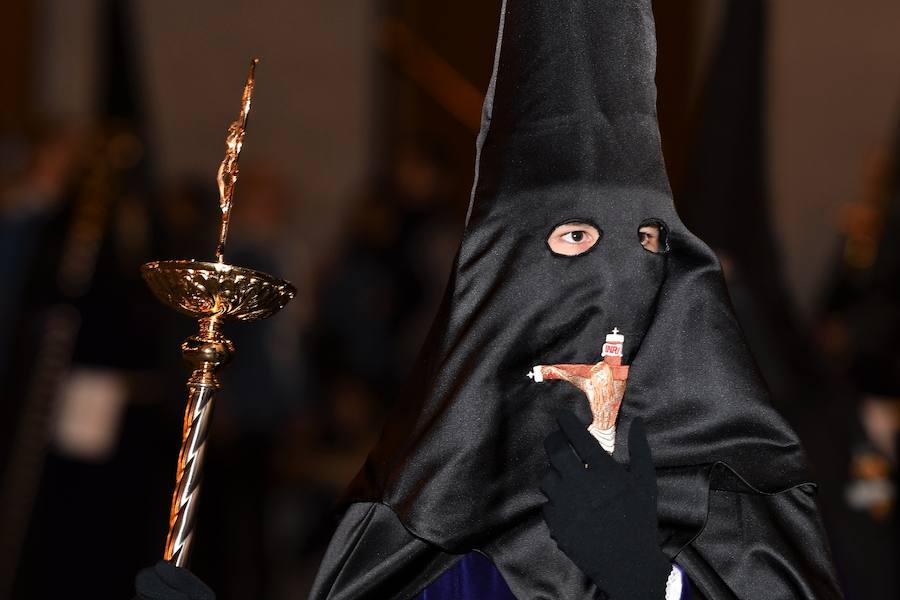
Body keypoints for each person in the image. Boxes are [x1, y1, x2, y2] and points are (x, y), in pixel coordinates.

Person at [136, 0, 843, 598]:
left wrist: (643, 577)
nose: (621, 276)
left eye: (649, 244)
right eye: (574, 240)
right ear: (504, 275)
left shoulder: (736, 484)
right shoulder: (429, 497)